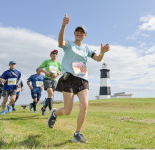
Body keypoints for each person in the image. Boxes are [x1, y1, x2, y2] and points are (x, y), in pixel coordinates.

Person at [47, 14, 110, 143]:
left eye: (82, 32)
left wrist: (102, 52)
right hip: (69, 79)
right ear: (74, 33)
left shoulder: (86, 49)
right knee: (67, 110)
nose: (79, 33)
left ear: (85, 36)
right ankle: (54, 114)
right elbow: (60, 42)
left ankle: (77, 133)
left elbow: (98, 59)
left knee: (84, 106)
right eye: (77, 31)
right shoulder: (69, 44)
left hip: (82, 80)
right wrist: (64, 25)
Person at [38, 50, 62, 115]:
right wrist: (46, 72)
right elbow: (39, 68)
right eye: (53, 53)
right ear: (50, 55)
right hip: (47, 79)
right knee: (50, 93)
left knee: (50, 96)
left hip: (55, 80)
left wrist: (57, 74)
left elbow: (62, 71)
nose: (54, 54)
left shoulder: (58, 63)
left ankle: (43, 108)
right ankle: (51, 111)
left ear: (57, 56)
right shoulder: (46, 61)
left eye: (56, 54)